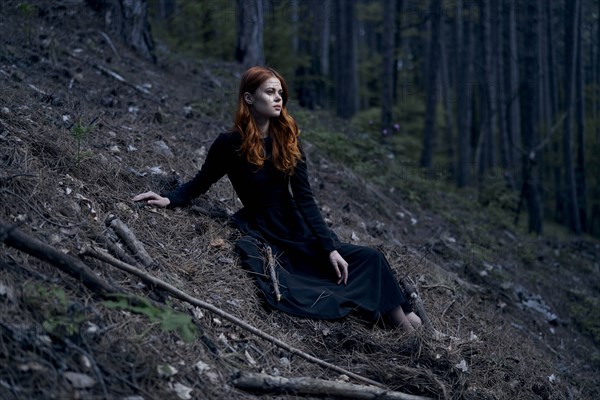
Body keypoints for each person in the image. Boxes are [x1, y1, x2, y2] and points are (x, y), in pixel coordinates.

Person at [133, 66, 421, 331]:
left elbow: (306, 200)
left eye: (280, 93)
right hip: (264, 229)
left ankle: (411, 331)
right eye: (270, 92)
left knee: (369, 258)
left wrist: (330, 247)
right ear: (249, 97)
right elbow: (201, 182)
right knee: (317, 285)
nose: (278, 98)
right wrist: (169, 199)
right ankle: (410, 336)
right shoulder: (229, 143)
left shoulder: (288, 139)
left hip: (298, 227)